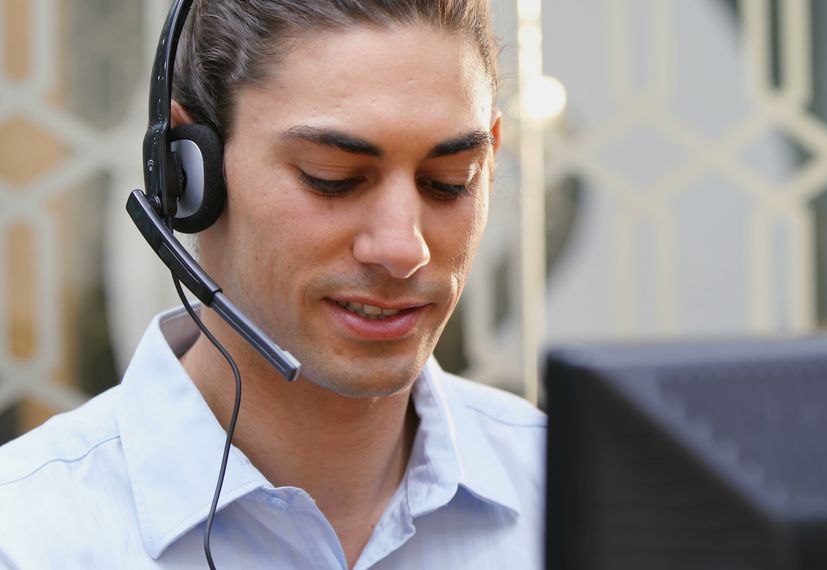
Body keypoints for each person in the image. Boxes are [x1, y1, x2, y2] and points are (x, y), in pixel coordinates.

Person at [0, 1, 545, 568]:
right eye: (332, 179)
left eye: (449, 182)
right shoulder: (25, 537)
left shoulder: (585, 491)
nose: (403, 249)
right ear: (186, 173)